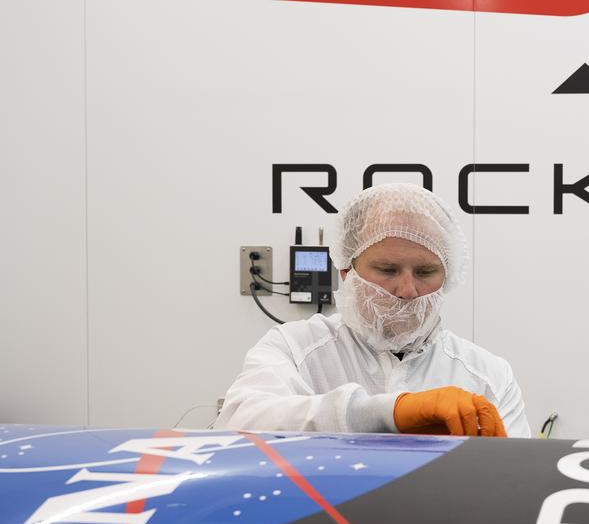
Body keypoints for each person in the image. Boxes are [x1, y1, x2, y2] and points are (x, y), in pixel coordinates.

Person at [216, 183, 529, 437]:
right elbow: (237, 425)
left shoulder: (487, 375)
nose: (407, 290)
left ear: (448, 276)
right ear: (345, 271)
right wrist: (393, 413)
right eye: (387, 269)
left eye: (425, 272)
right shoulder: (296, 349)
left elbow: (513, 482)